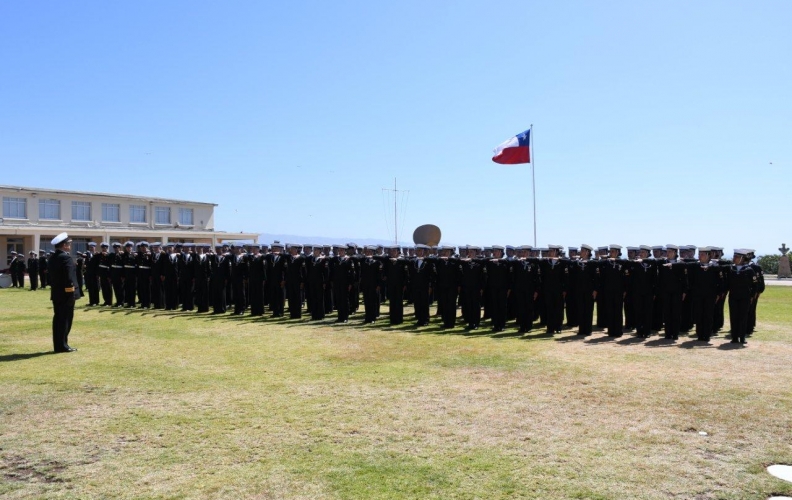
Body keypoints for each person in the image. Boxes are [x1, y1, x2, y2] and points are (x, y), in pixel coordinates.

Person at [48, 232, 82, 352]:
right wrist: (70, 293)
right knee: (65, 319)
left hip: (57, 294)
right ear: (64, 245)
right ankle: (62, 346)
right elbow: (69, 278)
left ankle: (59, 345)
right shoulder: (65, 258)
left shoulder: (52, 258)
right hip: (66, 295)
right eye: (69, 244)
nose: (70, 246)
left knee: (58, 319)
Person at [728, 249, 756, 345]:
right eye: (734, 256)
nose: (734, 259)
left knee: (743, 317)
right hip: (733, 296)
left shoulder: (749, 270)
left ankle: (742, 337)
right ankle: (734, 337)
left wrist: (752, 296)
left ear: (742, 258)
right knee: (734, 316)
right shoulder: (731, 269)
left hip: (745, 297)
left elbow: (754, 285)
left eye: (736, 257)